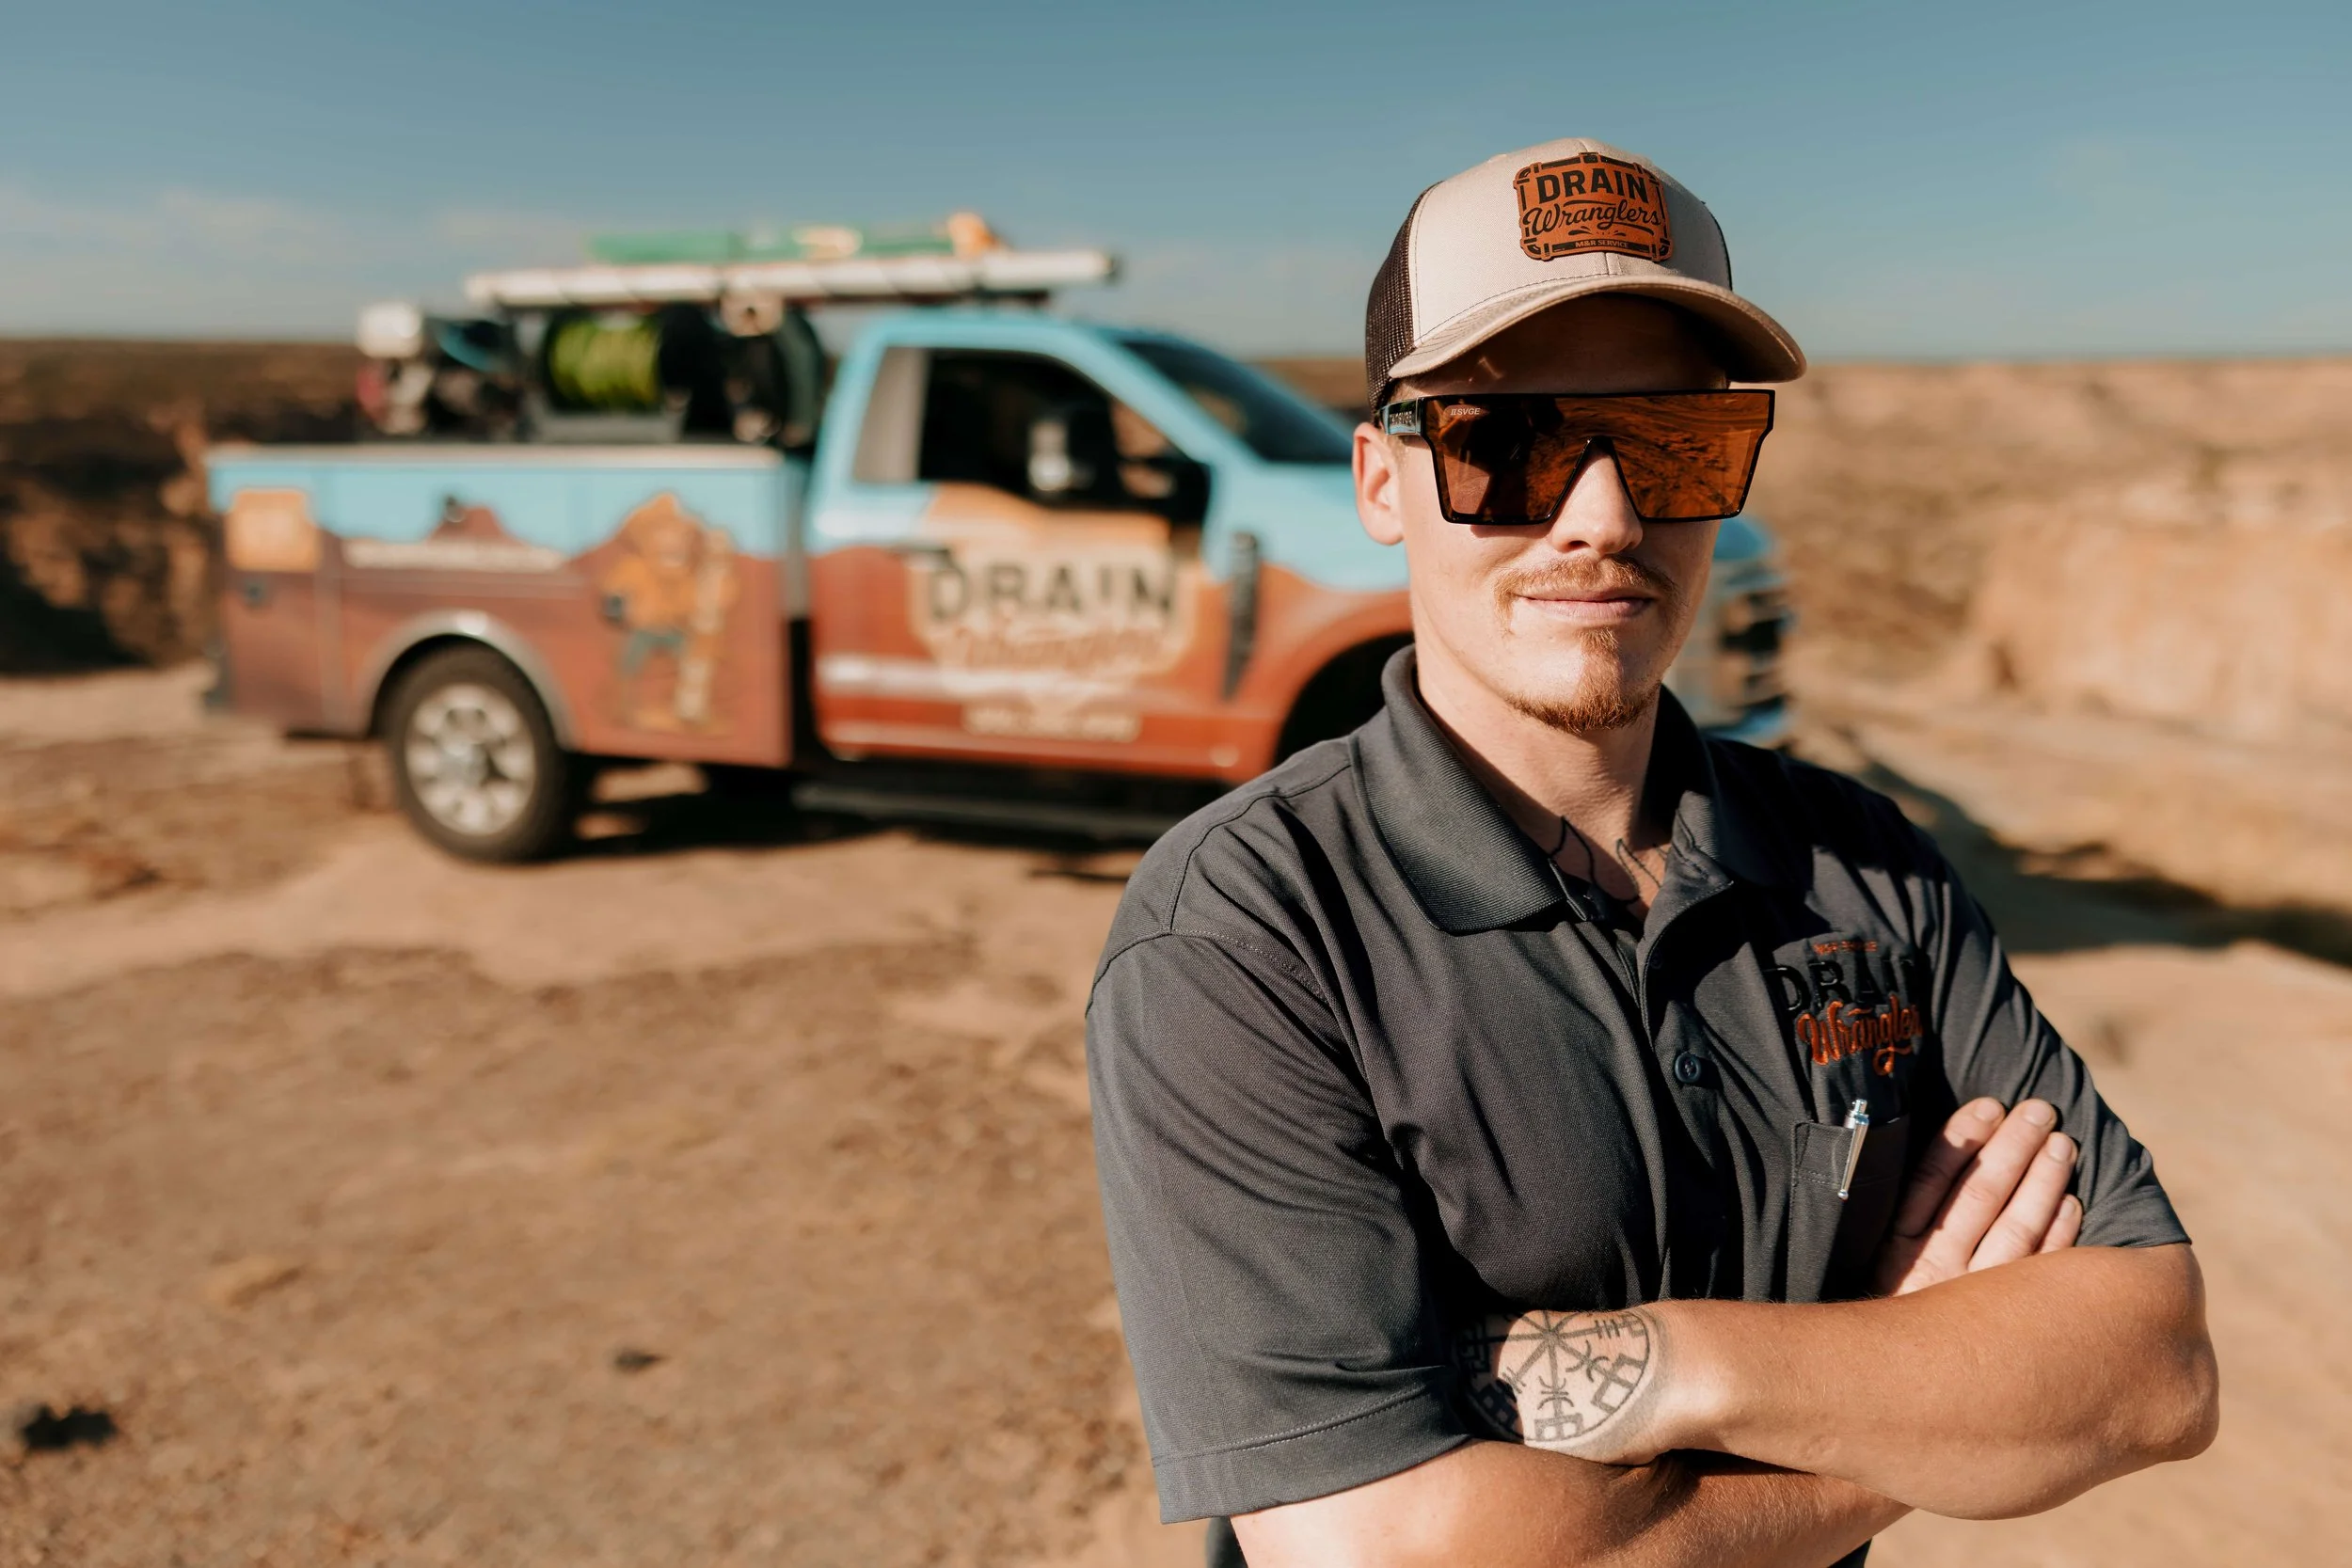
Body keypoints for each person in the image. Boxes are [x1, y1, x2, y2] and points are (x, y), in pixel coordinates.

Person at [1086, 137, 2217, 1568]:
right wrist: (1915, 1400)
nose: (1607, 516)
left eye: (1677, 442)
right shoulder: (1244, 934)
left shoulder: (1867, 868)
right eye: (1512, 444)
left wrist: (1684, 1364)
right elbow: (1384, 1545)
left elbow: (2158, 1368)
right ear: (1383, 480)